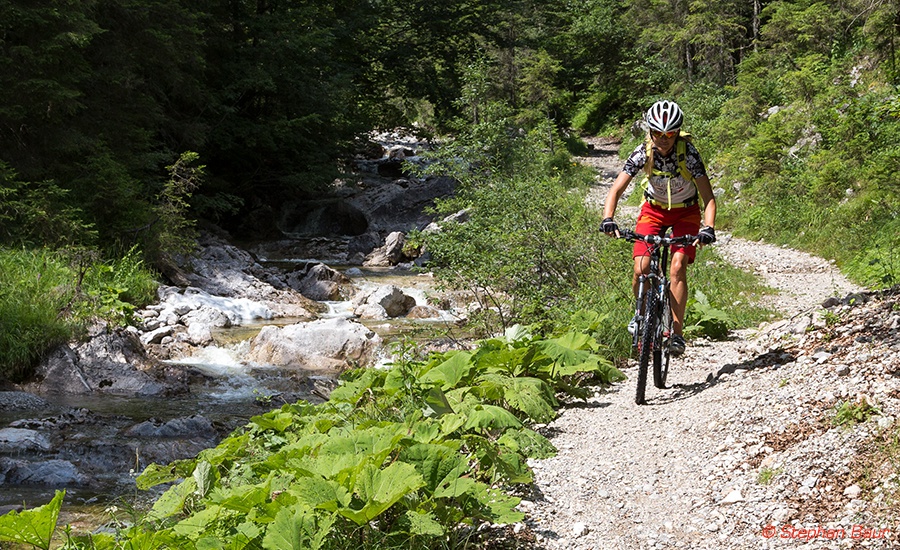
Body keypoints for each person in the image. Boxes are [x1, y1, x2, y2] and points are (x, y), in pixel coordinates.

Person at [600, 100, 717, 356]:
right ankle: (640, 312)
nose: (663, 139)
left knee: (677, 267)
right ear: (650, 131)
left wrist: (708, 227)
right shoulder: (643, 152)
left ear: (677, 133)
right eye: (658, 134)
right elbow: (617, 189)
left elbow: (708, 198)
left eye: (670, 134)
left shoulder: (690, 154)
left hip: (685, 212)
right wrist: (608, 218)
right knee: (641, 266)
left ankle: (676, 334)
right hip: (653, 211)